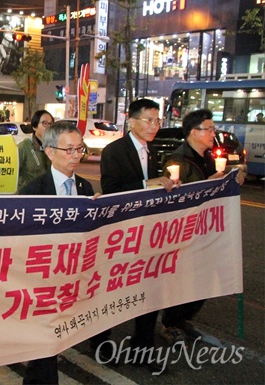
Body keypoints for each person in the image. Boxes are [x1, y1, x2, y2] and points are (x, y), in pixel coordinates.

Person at [98, 98, 175, 371]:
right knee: (110, 291)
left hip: (149, 232)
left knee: (150, 290)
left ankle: (142, 350)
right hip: (121, 234)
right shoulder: (114, 151)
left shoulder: (153, 151)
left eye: (158, 121)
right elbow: (110, 191)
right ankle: (101, 342)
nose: (154, 126)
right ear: (132, 121)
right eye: (149, 120)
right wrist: (146, 183)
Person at [19, 121, 97, 384]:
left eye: (79, 149)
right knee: (45, 346)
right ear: (50, 152)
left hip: (72, 277)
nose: (76, 155)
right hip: (43, 278)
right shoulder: (33, 192)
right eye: (69, 149)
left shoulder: (86, 188)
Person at [160, 109, 245, 344]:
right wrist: (204, 186)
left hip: (207, 230)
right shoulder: (178, 160)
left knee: (205, 280)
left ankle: (183, 319)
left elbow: (230, 173)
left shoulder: (209, 156)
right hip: (185, 233)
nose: (213, 133)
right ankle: (170, 322)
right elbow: (172, 198)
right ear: (193, 132)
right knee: (184, 280)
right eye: (208, 128)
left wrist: (237, 175)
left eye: (213, 128)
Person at [18, 110, 54, 191]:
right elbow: (14, 174)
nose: (48, 127)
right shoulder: (24, 146)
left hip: (46, 196)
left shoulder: (54, 147)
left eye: (51, 124)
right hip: (28, 197)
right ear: (34, 126)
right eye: (45, 123)